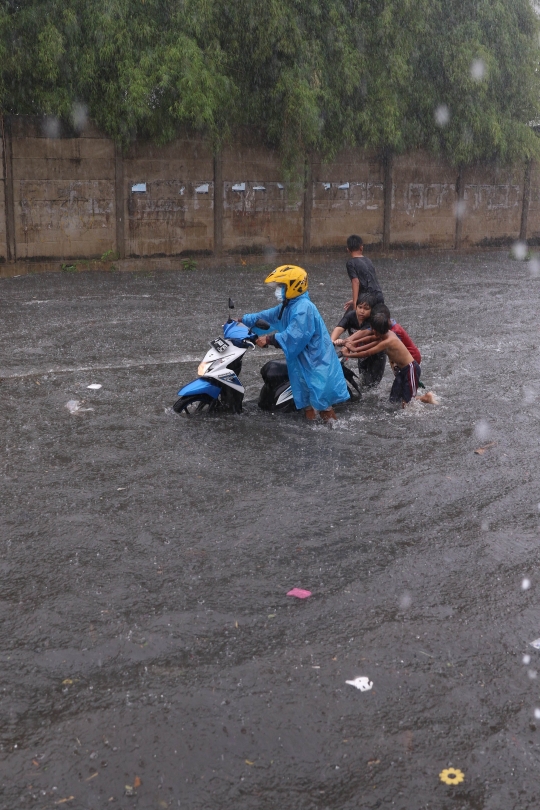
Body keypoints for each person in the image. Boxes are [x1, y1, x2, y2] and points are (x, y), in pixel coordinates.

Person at [240, 265, 349, 421]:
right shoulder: (289, 305)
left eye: (281, 286)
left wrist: (269, 339)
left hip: (316, 363)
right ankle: (313, 434)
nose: (278, 290)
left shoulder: (304, 308)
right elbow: (268, 317)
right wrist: (243, 320)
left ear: (293, 286)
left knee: (324, 407)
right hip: (302, 363)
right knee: (307, 406)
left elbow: (295, 336)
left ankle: (333, 435)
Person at [342, 309, 436, 406]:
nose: (371, 330)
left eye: (372, 329)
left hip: (411, 369)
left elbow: (367, 352)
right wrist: (352, 344)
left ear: (378, 331)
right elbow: (370, 339)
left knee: (407, 403)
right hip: (402, 370)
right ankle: (423, 398)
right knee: (393, 400)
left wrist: (348, 354)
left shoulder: (388, 341)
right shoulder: (386, 334)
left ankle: (425, 398)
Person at [331, 292, 386, 388]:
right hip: (361, 352)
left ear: (372, 310)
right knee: (363, 383)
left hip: (376, 355)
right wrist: (332, 342)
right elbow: (339, 328)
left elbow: (359, 335)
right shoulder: (350, 316)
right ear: (356, 306)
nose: (362, 311)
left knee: (371, 387)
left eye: (366, 309)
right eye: (360, 307)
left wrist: (344, 343)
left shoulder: (372, 322)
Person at [345, 302, 421, 365]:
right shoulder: (385, 326)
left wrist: (352, 350)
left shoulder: (394, 332)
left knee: (407, 378)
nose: (373, 330)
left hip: (412, 359)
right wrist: (350, 342)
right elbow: (368, 334)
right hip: (400, 358)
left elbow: (371, 348)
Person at [343, 234, 384, 311]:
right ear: (361, 247)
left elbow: (355, 282)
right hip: (378, 296)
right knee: (378, 320)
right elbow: (371, 280)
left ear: (348, 249)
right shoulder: (368, 260)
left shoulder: (351, 263)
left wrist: (355, 302)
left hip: (367, 298)